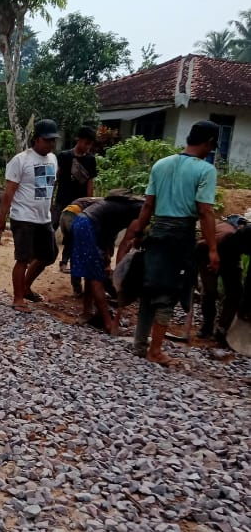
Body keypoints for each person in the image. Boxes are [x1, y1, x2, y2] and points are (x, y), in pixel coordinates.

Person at [118, 120, 220, 366]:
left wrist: (138, 232)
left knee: (149, 288)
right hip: (180, 235)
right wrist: (213, 248)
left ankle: (140, 344)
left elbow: (148, 205)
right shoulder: (205, 170)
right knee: (168, 292)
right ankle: (155, 351)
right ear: (209, 143)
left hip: (158, 231)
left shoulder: (161, 164)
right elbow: (205, 211)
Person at [0, 118, 59, 312]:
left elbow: (51, 186)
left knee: (49, 255)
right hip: (23, 217)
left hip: (43, 218)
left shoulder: (53, 159)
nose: (51, 144)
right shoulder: (21, 160)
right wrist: (1, 217)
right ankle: (18, 298)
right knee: (22, 258)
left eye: (53, 140)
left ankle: (26, 287)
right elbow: (9, 192)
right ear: (36, 139)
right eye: (47, 140)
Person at [70, 190, 144, 333]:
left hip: (81, 222)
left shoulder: (128, 206)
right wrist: (121, 277)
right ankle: (109, 324)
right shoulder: (141, 210)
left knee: (90, 273)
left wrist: (107, 261)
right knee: (96, 277)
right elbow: (125, 245)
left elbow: (108, 235)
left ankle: (87, 312)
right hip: (87, 225)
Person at [196, 215, 251, 345]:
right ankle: (207, 326)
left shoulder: (243, 242)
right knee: (210, 291)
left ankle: (222, 329)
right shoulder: (222, 238)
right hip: (208, 254)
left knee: (236, 292)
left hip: (231, 259)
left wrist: (246, 305)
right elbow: (198, 249)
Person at [53, 126, 98, 273]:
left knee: (73, 233)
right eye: (86, 143)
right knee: (50, 227)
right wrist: (50, 198)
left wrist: (89, 201)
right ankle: (35, 256)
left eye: (90, 144)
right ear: (78, 139)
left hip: (78, 203)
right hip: (61, 199)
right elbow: (56, 178)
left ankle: (64, 262)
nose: (87, 147)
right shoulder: (64, 156)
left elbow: (90, 183)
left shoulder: (91, 160)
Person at [59, 196, 96, 296]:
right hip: (73, 215)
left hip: (65, 214)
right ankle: (78, 288)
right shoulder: (102, 205)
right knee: (78, 252)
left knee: (70, 243)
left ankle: (64, 265)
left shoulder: (95, 201)